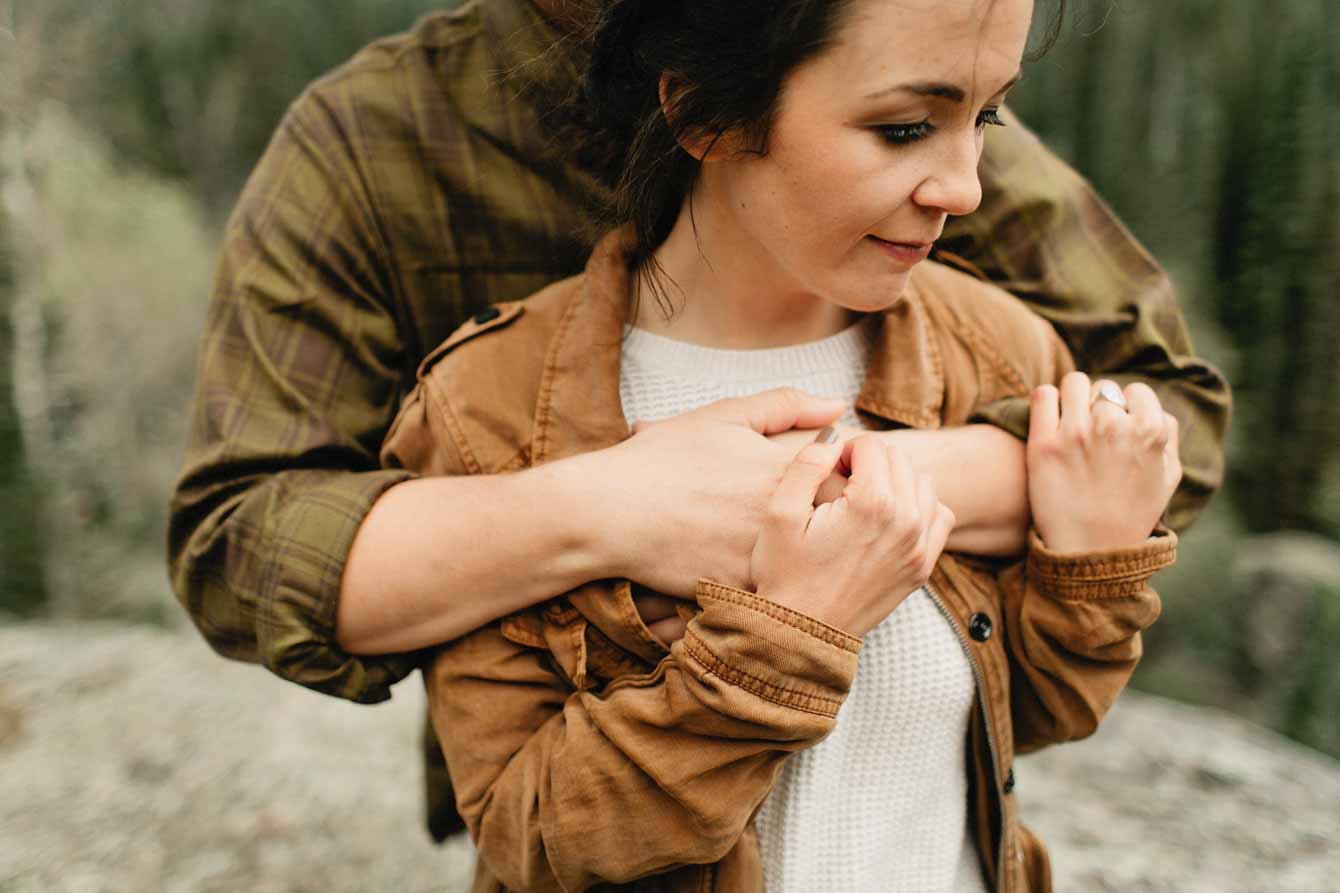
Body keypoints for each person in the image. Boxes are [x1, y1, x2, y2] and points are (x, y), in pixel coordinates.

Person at [166, 0, 1227, 846]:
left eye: (975, 118)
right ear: (699, 110)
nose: (955, 181)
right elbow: (240, 546)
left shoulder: (889, 68)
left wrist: (859, 493)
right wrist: (597, 509)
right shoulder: (377, 145)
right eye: (906, 127)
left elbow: (1157, 413)